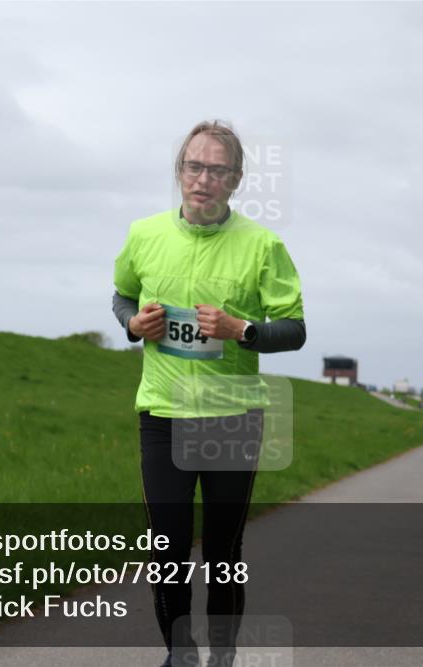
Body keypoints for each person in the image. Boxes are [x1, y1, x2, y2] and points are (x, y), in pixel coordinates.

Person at [112, 120, 305, 667]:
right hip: (163, 416)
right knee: (167, 551)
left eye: (217, 170)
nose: (203, 180)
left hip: (233, 419)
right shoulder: (144, 235)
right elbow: (122, 297)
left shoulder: (263, 245)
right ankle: (180, 655)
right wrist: (133, 326)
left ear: (236, 179)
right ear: (179, 172)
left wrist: (241, 330)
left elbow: (293, 330)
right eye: (194, 167)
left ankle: (223, 656)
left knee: (223, 555)